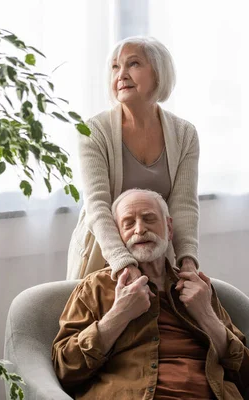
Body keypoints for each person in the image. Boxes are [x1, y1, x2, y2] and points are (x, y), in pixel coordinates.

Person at [53, 189, 249, 399]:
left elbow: (244, 373)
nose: (139, 230)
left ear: (169, 228)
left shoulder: (198, 288)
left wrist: (205, 314)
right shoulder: (95, 287)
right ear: (117, 234)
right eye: (128, 223)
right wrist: (119, 314)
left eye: (149, 219)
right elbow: (66, 369)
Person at [67, 36, 200, 282]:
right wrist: (123, 262)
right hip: (102, 255)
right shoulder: (93, 131)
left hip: (157, 258)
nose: (122, 74)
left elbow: (183, 205)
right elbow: (98, 205)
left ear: (159, 74)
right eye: (116, 67)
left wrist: (187, 260)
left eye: (134, 64)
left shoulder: (185, 134)